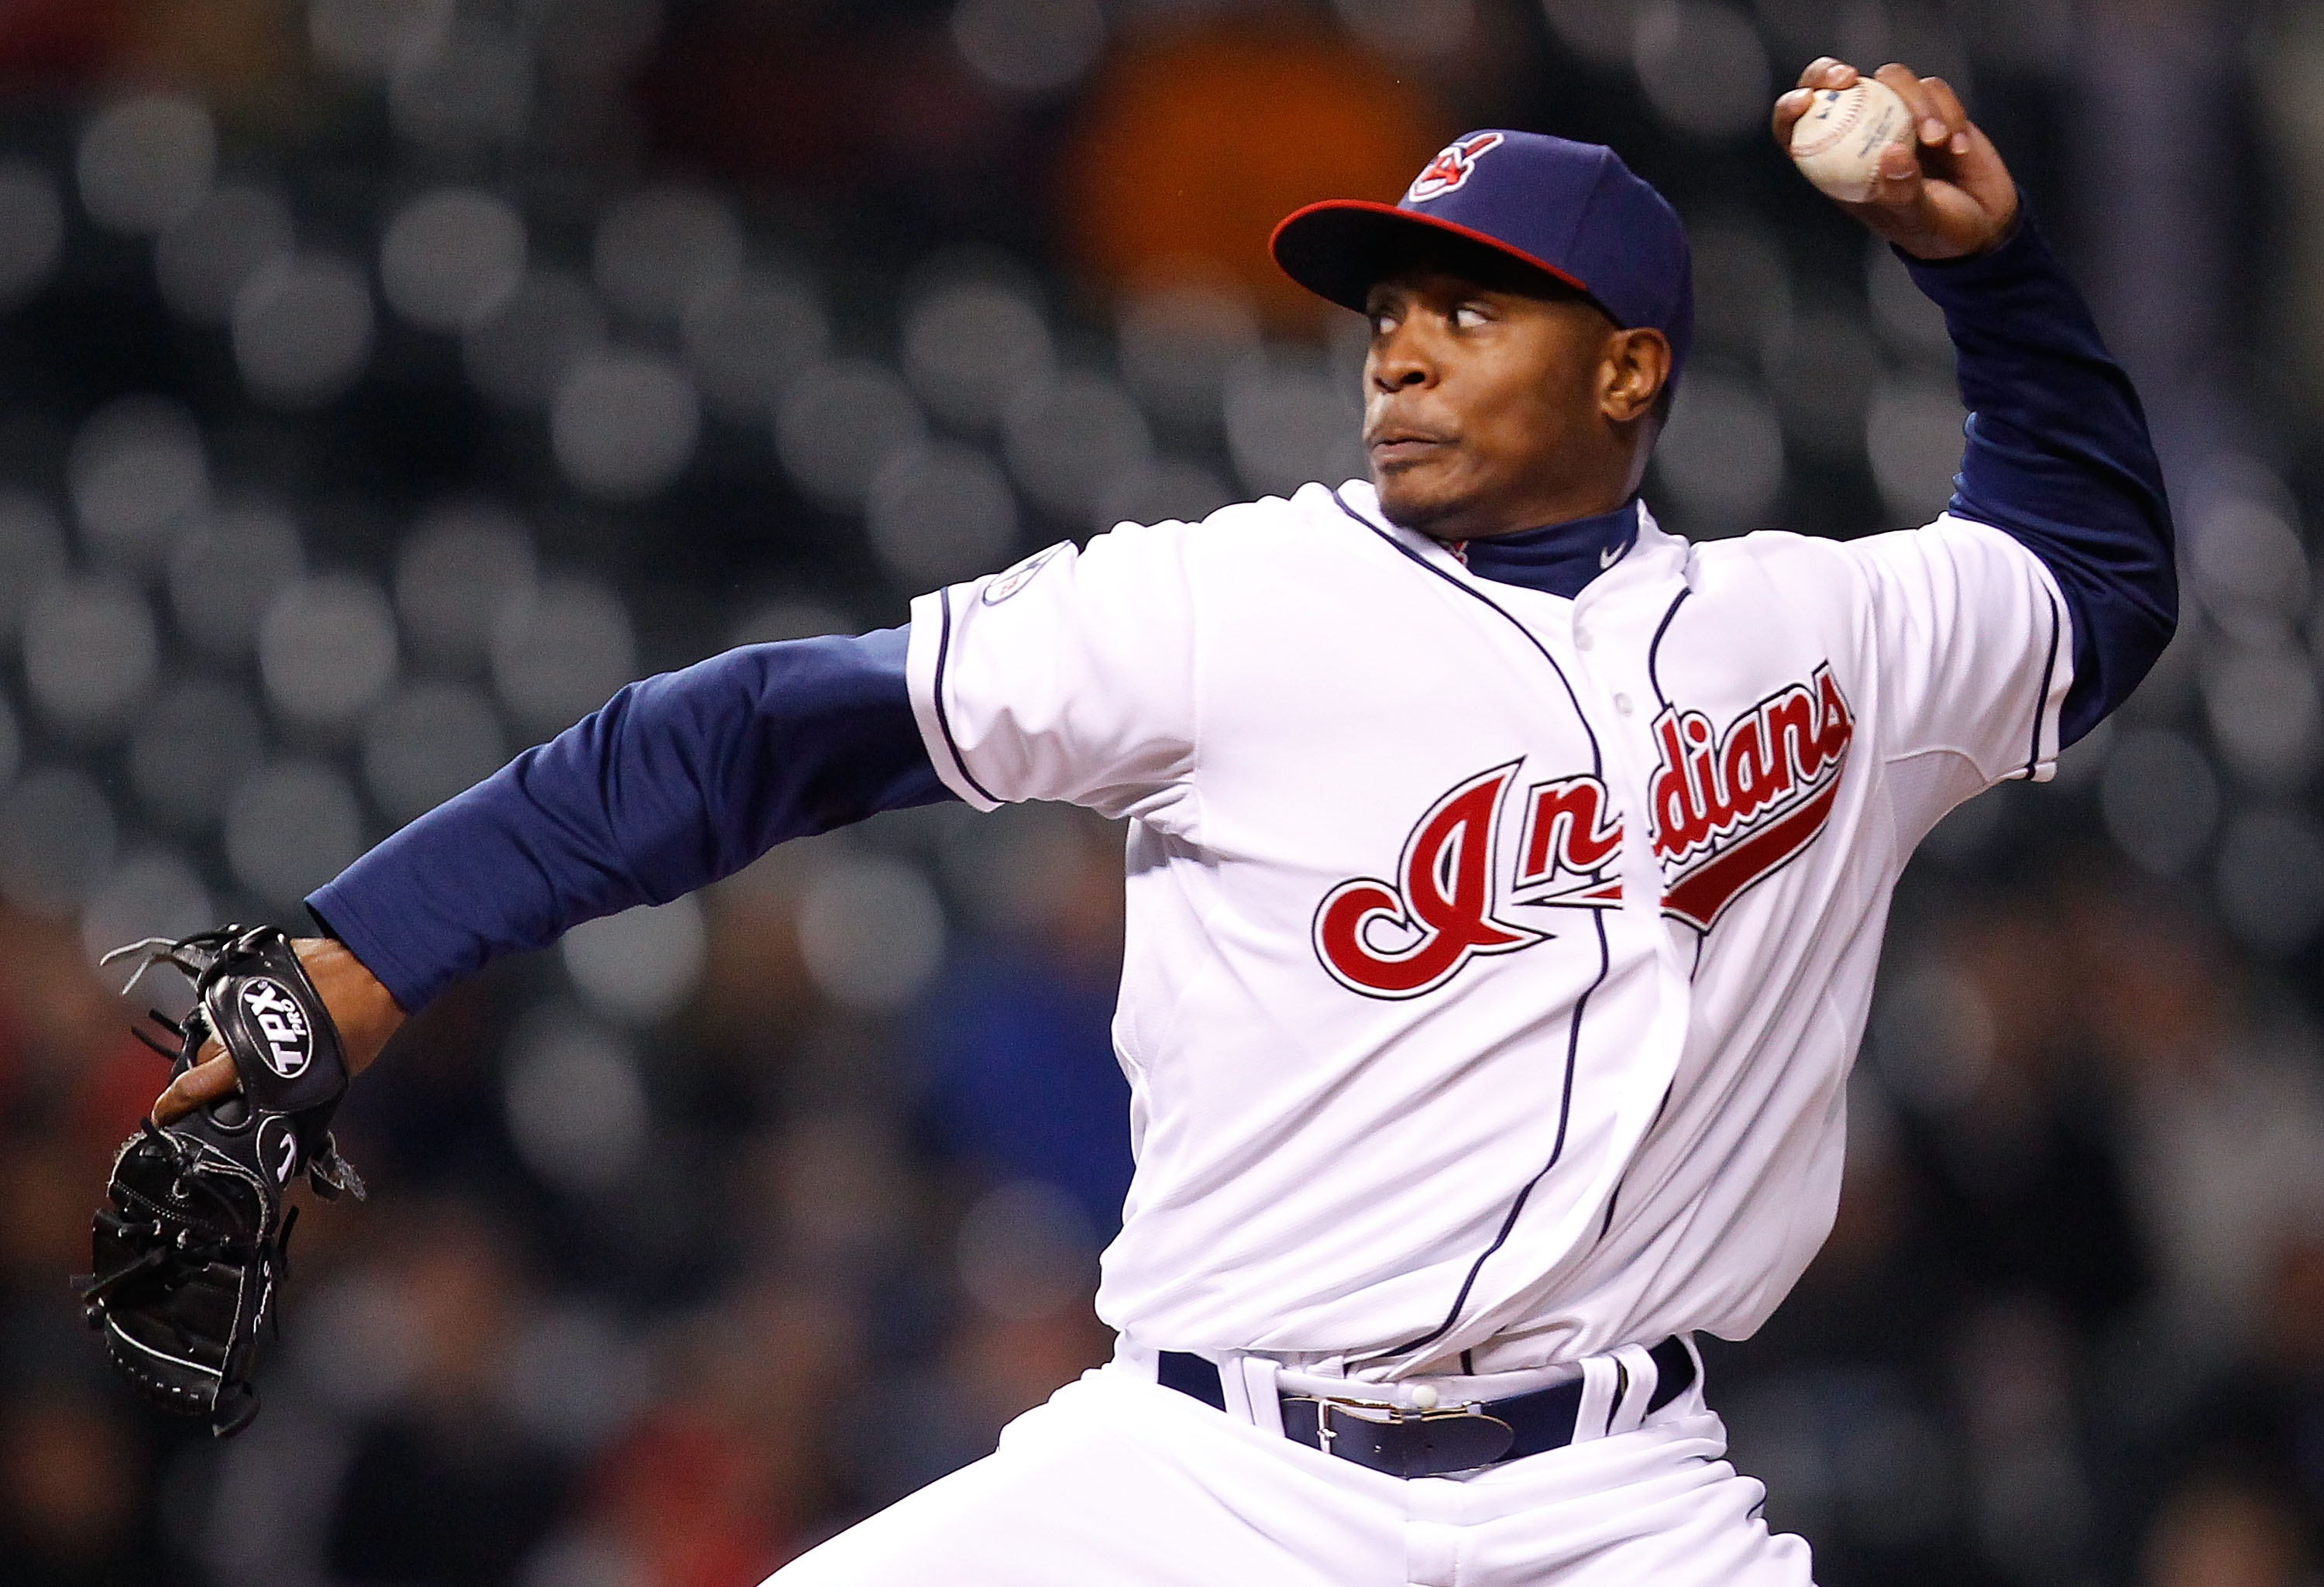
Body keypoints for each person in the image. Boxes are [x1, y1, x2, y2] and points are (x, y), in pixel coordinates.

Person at [153, 60, 2174, 1585]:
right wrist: (362, 942)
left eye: (1472, 307)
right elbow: (759, 730)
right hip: (1213, 1481)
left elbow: (2090, 578)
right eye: (1389, 301)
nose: (1397, 341)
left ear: (1631, 366)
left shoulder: (1823, 636)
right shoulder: (1227, 605)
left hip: (1623, 1506)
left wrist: (1973, 263)